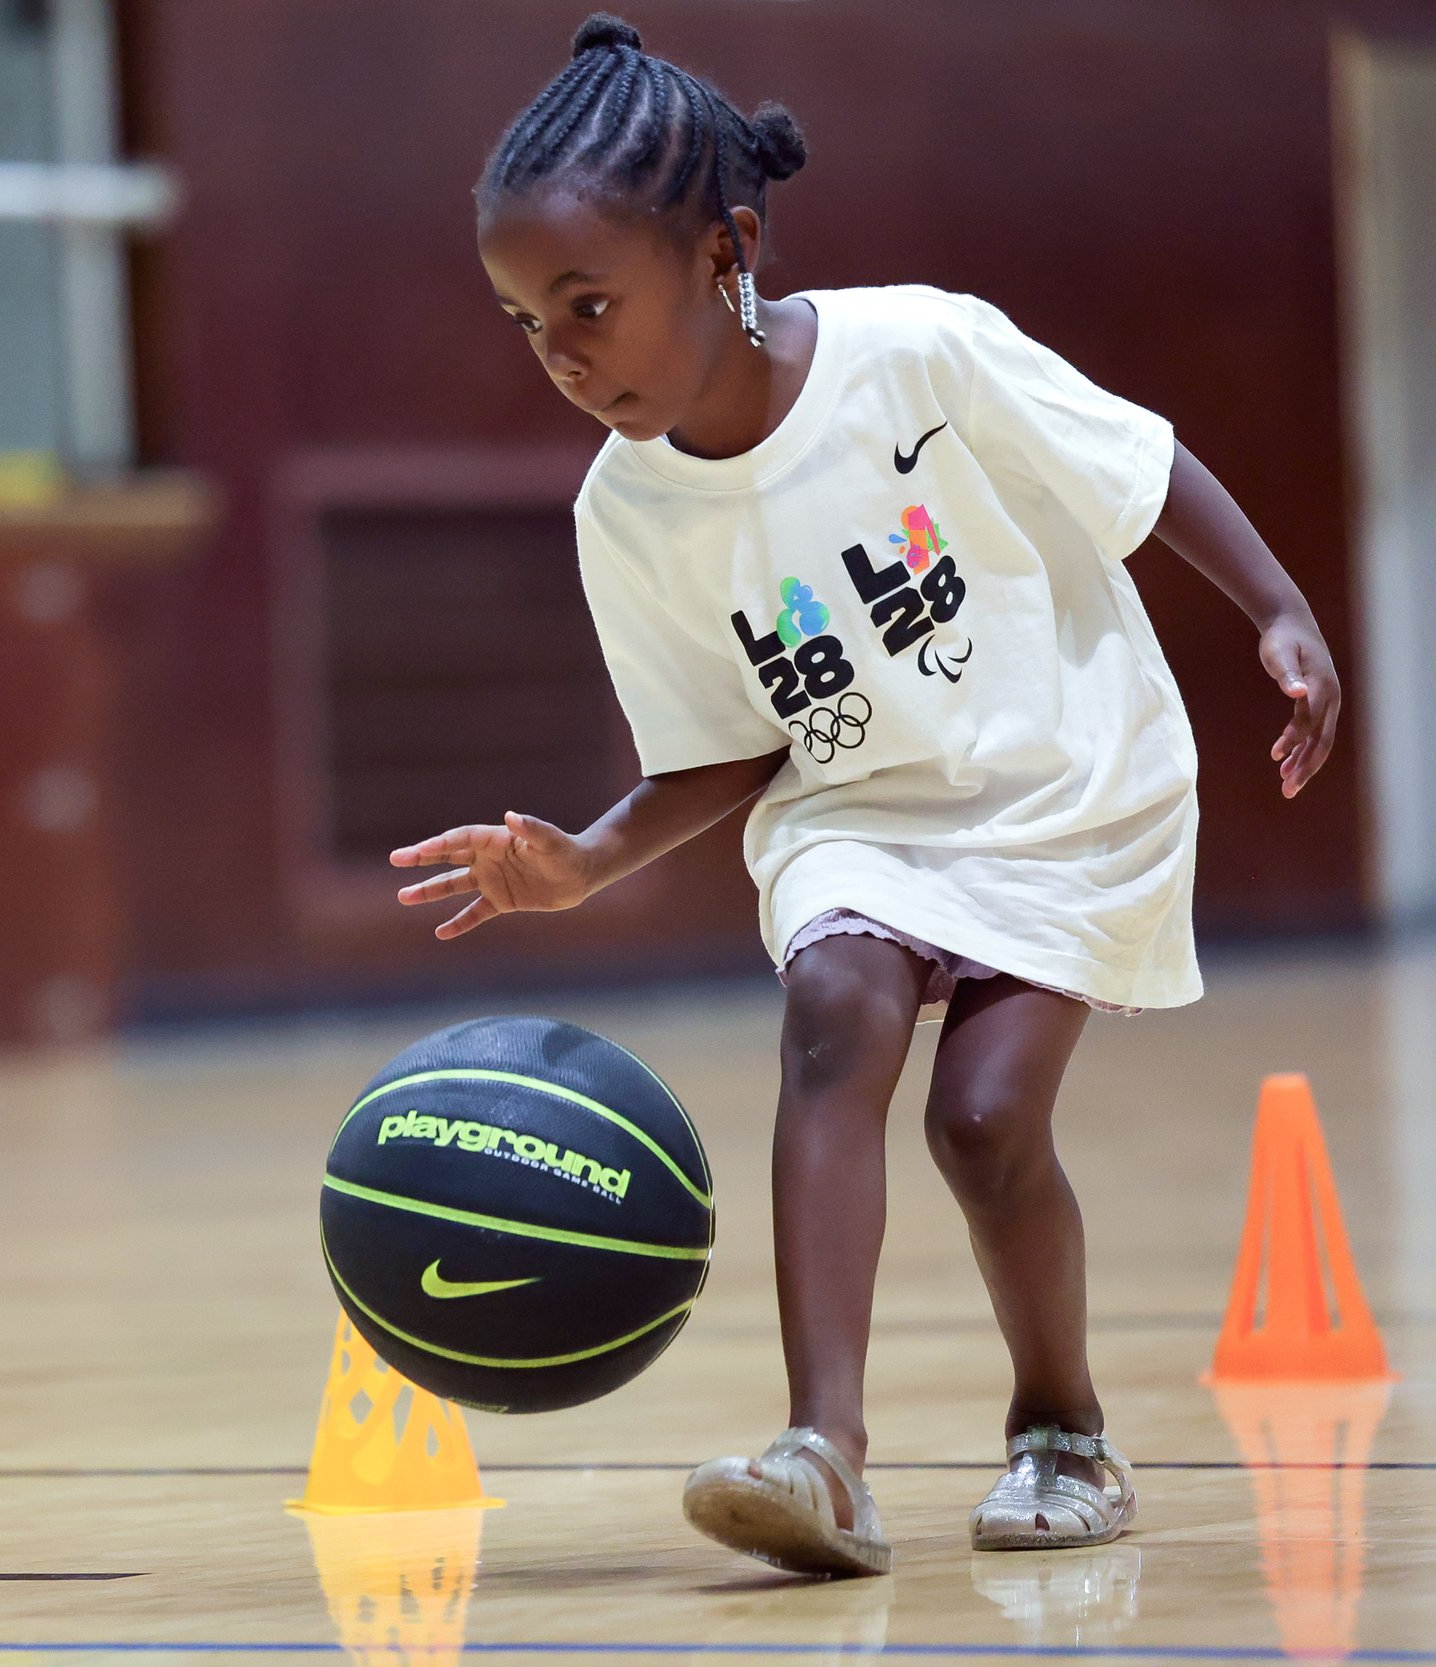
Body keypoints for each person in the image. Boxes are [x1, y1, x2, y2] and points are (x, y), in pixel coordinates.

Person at [388, 12, 1341, 1578]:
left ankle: (1062, 1430)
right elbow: (722, 749)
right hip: (865, 805)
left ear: (726, 249)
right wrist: (588, 864)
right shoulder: (625, 513)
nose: (561, 351)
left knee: (981, 1123)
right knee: (836, 1003)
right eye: (523, 321)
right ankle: (823, 1448)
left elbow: (1141, 463)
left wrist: (1278, 608)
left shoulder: (924, 352)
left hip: (1068, 776)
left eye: (588, 303)